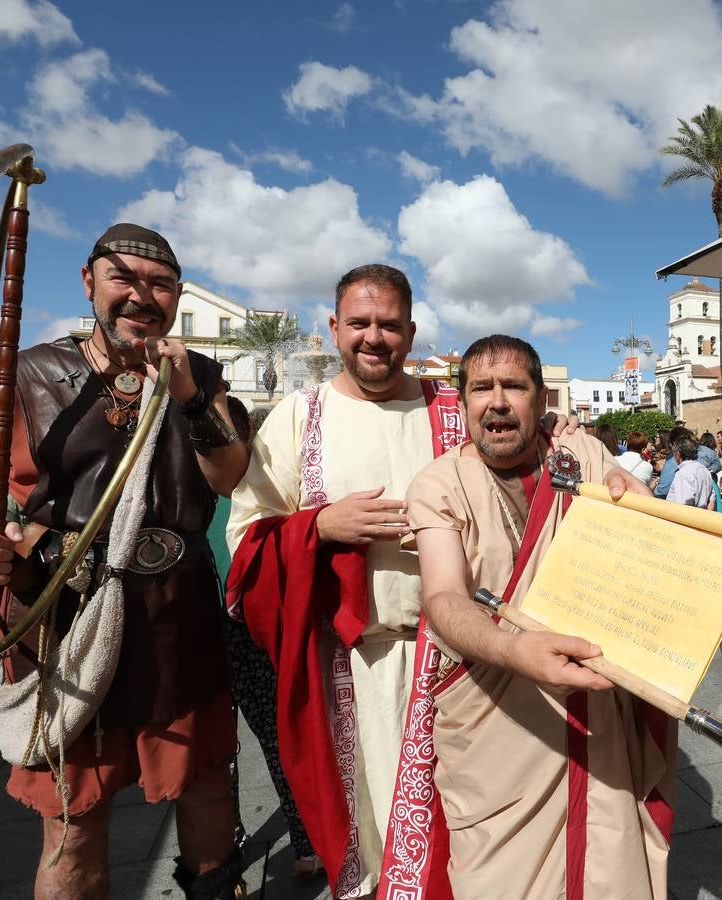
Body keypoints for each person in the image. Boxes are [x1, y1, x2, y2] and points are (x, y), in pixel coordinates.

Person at [0, 223, 249, 898]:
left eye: (160, 284)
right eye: (124, 279)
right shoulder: (27, 375)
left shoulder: (200, 375)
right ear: (89, 283)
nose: (142, 296)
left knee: (207, 793)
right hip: (65, 619)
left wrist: (190, 398)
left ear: (176, 296)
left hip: (178, 620)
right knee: (73, 822)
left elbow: (229, 474)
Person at [225, 264, 472, 899]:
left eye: (389, 324)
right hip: (347, 669)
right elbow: (246, 542)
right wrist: (319, 526)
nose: (373, 338)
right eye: (359, 323)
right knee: (369, 838)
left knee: (462, 841)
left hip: (454, 664)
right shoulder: (299, 416)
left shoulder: (454, 413)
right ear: (334, 328)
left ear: (411, 331)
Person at [407, 334, 671, 899]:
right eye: (482, 388)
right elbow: (444, 597)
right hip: (496, 727)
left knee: (608, 870)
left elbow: (643, 543)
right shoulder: (438, 484)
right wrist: (513, 650)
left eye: (514, 386)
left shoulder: (583, 457)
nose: (497, 402)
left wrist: (639, 502)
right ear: (463, 402)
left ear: (542, 398)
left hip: (596, 714)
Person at [209, 397, 318, 874]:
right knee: (218, 748)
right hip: (208, 626)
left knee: (275, 738)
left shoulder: (263, 486)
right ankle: (227, 843)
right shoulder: (197, 489)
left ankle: (306, 838)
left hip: (248, 628)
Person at [666, 433, 716, 509]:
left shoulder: (683, 473)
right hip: (702, 514)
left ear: (678, 454)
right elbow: (711, 500)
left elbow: (683, 506)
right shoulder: (704, 470)